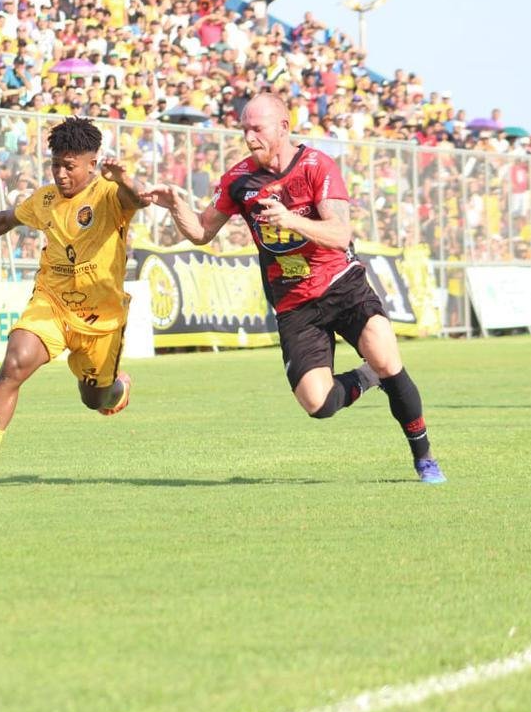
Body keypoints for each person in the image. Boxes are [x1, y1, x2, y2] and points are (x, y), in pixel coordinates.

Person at [141, 93, 446, 484]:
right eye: (245, 129)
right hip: (293, 302)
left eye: (258, 129)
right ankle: (367, 377)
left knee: (389, 359)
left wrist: (290, 220)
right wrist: (175, 207)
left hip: (342, 285)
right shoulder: (238, 180)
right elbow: (202, 232)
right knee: (317, 404)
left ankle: (424, 458)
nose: (250, 138)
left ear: (283, 127)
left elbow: (340, 234)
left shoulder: (318, 166)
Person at [0, 117, 149, 489]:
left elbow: (136, 199)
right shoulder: (45, 199)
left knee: (96, 398)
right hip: (52, 303)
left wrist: (122, 179)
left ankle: (116, 390)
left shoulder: (109, 194)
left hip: (102, 320)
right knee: (15, 362)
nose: (61, 174)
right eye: (55, 164)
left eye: (69, 166)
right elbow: (4, 220)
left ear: (92, 163)